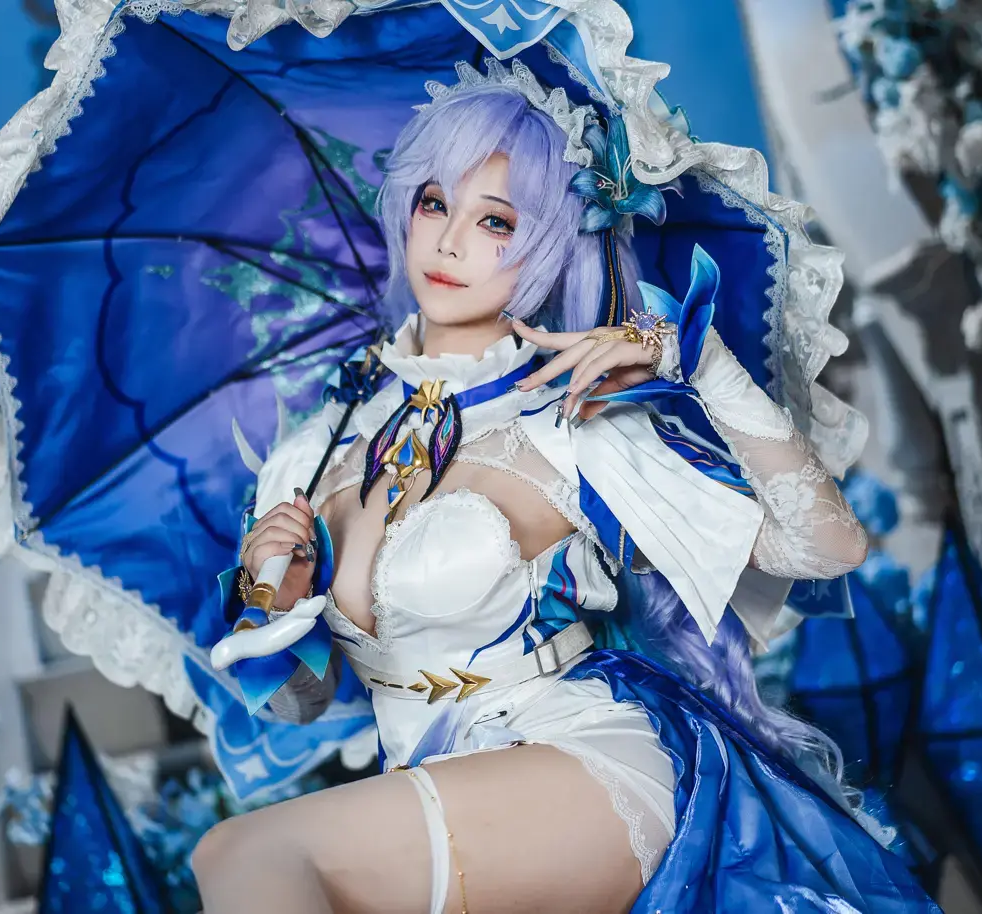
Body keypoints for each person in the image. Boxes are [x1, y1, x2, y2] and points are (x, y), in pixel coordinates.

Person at [189, 63, 939, 914]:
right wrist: (274, 597)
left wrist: (699, 361)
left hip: (582, 756)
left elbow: (826, 547)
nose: (449, 242)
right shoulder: (310, 457)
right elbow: (304, 703)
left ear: (549, 244)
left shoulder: (570, 421)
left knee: (244, 849)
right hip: (440, 788)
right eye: (434, 203)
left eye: (495, 221)